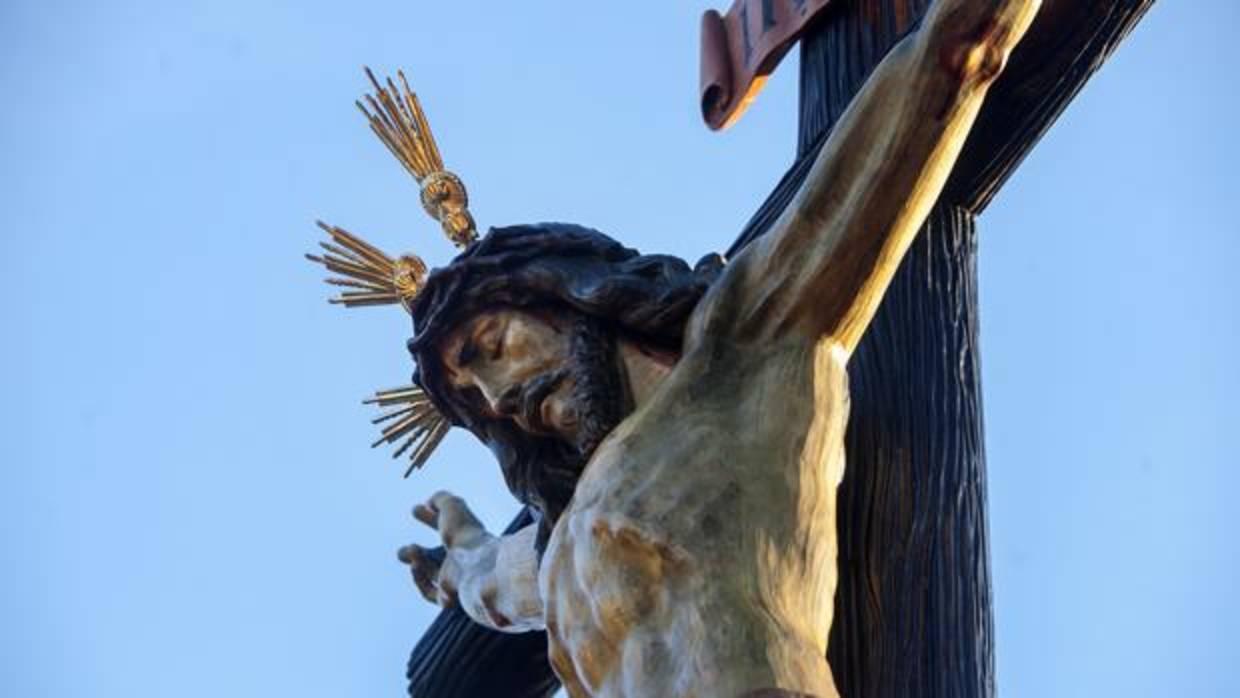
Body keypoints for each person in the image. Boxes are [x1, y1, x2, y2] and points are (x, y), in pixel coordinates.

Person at [315, 1, 1040, 694]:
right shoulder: (556, 551)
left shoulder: (742, 348)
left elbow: (940, 71)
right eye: (474, 402)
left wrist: (967, 32)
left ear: (560, 295)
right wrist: (458, 547)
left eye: (491, 346)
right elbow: (483, 583)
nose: (500, 398)